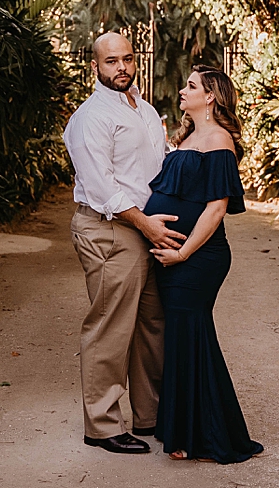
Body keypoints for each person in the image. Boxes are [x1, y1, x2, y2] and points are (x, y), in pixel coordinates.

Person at [62, 32, 188, 454]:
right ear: (95, 67)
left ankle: (151, 416)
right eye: (112, 61)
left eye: (128, 59)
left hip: (145, 228)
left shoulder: (145, 109)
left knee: (153, 324)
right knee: (110, 326)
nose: (122, 68)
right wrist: (146, 225)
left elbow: (159, 163)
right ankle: (102, 425)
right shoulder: (91, 117)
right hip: (110, 228)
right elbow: (102, 187)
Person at [145, 66, 264, 464]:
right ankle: (188, 430)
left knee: (188, 336)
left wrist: (182, 253)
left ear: (210, 96)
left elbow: (216, 209)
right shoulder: (189, 137)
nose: (182, 90)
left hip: (198, 259)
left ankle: (203, 435)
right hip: (177, 257)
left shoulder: (219, 140)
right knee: (183, 339)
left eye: (191, 86)